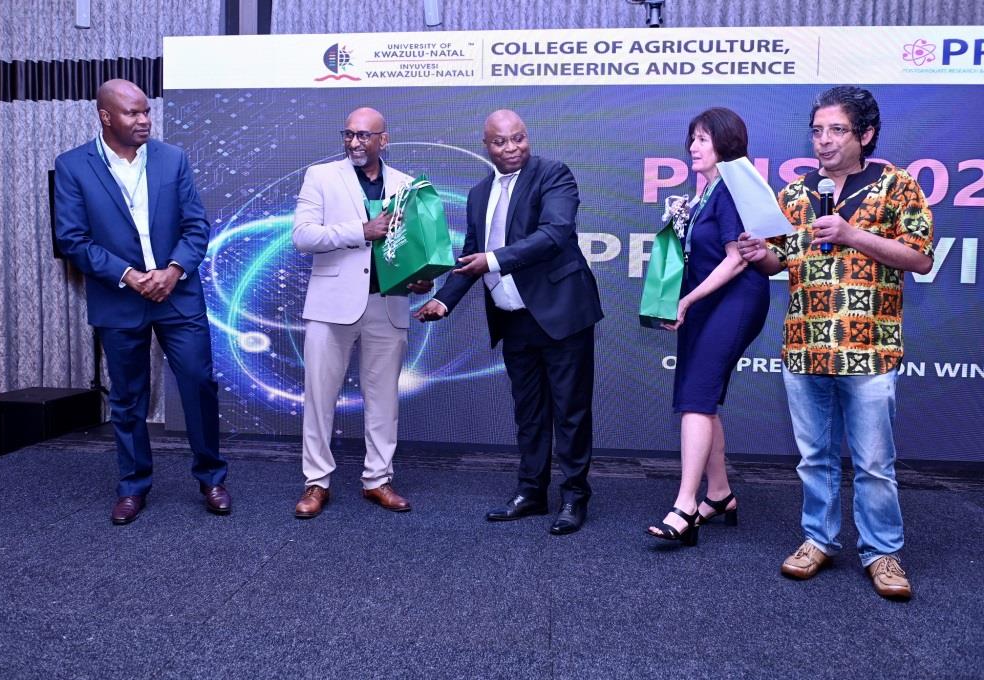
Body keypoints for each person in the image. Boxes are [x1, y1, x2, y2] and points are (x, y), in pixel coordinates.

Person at [738, 86, 934, 599]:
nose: (823, 140)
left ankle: (883, 552)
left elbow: (919, 257)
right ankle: (818, 540)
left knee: (873, 463)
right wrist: (757, 253)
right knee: (813, 458)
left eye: (837, 130)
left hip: (869, 349)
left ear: (865, 134)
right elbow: (778, 261)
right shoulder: (794, 193)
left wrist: (852, 235)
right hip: (805, 346)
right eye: (817, 131)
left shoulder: (896, 185)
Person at [415, 109, 603, 535]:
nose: (512, 147)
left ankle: (574, 496)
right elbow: (471, 254)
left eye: (519, 138)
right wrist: (444, 300)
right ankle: (531, 492)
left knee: (570, 412)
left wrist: (493, 260)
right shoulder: (479, 193)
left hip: (561, 313)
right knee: (529, 412)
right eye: (500, 142)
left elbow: (554, 233)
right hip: (512, 318)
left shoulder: (553, 175)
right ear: (486, 146)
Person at [54, 79, 230, 524]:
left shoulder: (173, 159)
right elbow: (72, 239)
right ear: (105, 116)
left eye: (146, 111)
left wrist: (172, 271)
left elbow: (196, 226)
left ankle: (211, 477)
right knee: (129, 397)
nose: (144, 120)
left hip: (177, 293)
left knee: (199, 383)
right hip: (119, 299)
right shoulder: (72, 166)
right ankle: (133, 485)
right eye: (132, 113)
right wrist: (130, 276)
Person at [292, 107, 432, 518]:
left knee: (384, 400)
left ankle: (378, 480)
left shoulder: (408, 185)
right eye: (349, 134)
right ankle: (316, 482)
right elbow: (303, 236)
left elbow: (415, 248)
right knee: (320, 398)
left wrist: (420, 279)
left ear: (383, 140)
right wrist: (362, 231)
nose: (354, 142)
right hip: (330, 307)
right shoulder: (321, 176)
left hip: (387, 305)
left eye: (364, 135)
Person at [646, 108, 769, 546]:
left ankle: (684, 507)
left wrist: (687, 300)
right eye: (692, 138)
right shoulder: (704, 194)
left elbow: (737, 260)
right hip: (706, 302)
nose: (692, 147)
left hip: (735, 300)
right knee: (700, 398)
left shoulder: (732, 188)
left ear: (725, 143)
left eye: (702, 139)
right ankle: (719, 495)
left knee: (696, 398)